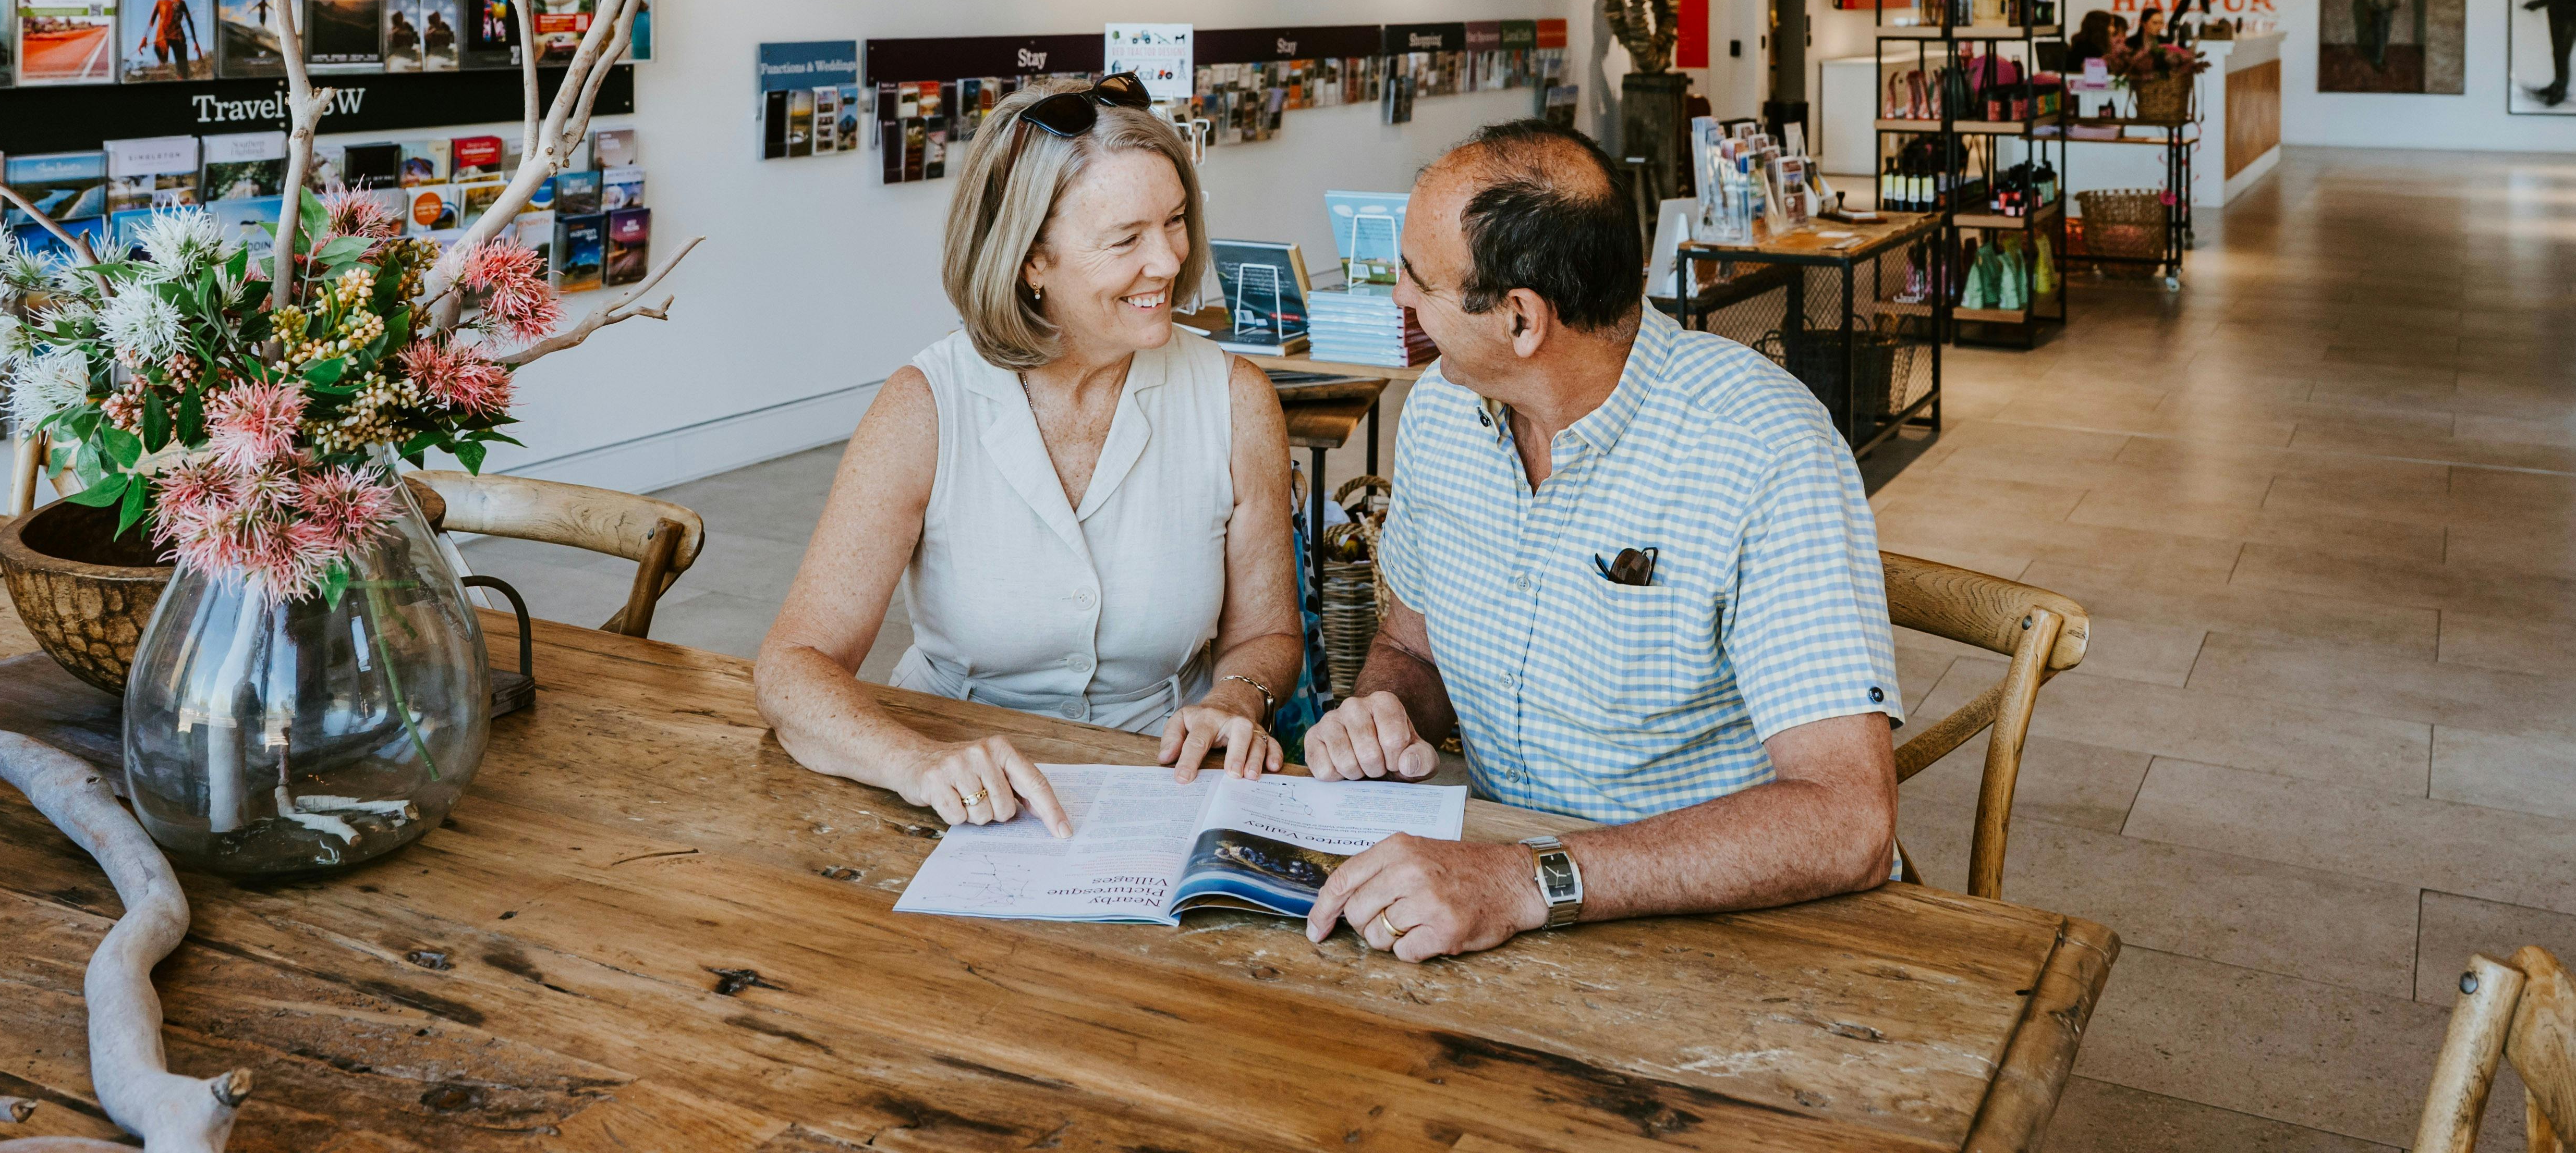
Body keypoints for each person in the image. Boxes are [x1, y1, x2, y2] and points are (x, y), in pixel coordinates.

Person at [1297, 122, 1900, 962]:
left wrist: (1527, 879)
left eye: (1417, 280)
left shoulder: (1761, 450)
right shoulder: (1441, 411)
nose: (1398, 298)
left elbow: (1849, 821)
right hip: (1504, 904)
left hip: (1723, 930)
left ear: (1520, 319)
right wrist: (1382, 715)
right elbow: (1413, 643)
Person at [758, 71, 1303, 838]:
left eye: (1176, 221)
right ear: (1030, 260)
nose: (1168, 261)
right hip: (953, 796)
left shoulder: (1235, 398)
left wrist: (1235, 698)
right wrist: (915, 762)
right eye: (1126, 240)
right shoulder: (927, 407)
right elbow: (791, 667)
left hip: (1158, 782)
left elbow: (1268, 637)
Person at [139, 0, 201, 75]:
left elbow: (151, 22)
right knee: (171, 71)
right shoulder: (178, 3)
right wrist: (196, 43)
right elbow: (190, 23)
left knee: (167, 70)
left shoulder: (164, 3)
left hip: (170, 36)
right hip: (168, 37)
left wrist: (145, 38)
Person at [2354, 0, 2401, 73]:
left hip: (2388, 13)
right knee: (2379, 39)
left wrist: (2394, 2)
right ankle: (2377, 62)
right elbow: (2369, 3)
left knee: (2385, 37)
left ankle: (2379, 57)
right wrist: (2371, 15)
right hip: (2378, 15)